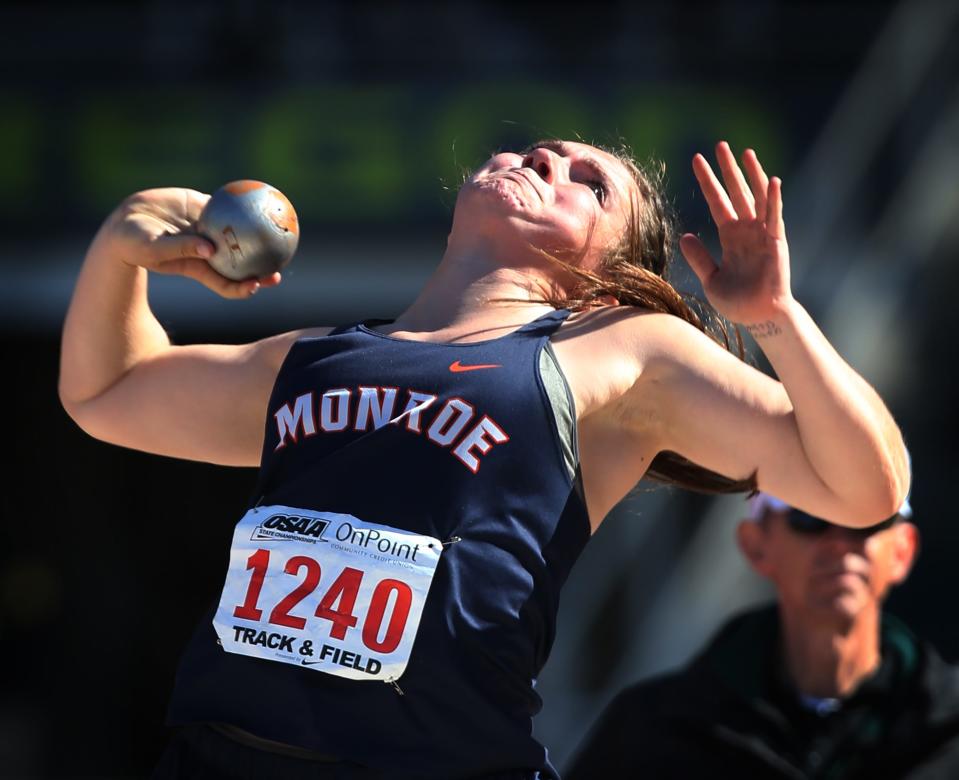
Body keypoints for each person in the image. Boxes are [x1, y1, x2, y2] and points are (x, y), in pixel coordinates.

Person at [58, 138, 909, 779]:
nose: (550, 159)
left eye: (590, 182)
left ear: (607, 279)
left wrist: (775, 318)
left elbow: (862, 487)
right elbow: (109, 394)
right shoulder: (315, 356)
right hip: (224, 758)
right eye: (541, 151)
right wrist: (117, 253)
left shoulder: (617, 348)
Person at [566, 492, 959, 780]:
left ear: (902, 551)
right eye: (809, 516)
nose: (839, 542)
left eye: (866, 518)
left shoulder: (947, 728)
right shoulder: (653, 730)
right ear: (755, 545)